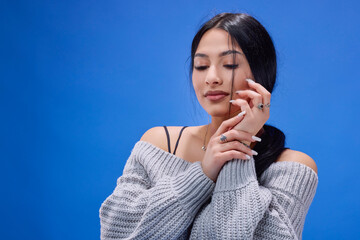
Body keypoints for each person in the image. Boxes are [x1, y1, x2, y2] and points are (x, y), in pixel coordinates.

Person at [99, 12, 318, 239]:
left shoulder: (293, 167)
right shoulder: (158, 144)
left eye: (230, 64)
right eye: (201, 66)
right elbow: (115, 232)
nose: (211, 77)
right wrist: (203, 174)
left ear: (261, 73)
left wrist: (239, 141)